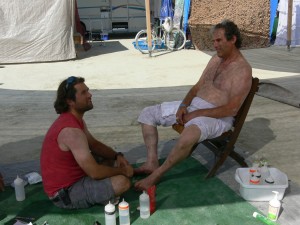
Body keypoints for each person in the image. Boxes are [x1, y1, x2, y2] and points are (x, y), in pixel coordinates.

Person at [134, 20, 252, 190]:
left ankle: (157, 174)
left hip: (218, 117)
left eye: (219, 40)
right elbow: (197, 86)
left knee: (188, 136)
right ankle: (152, 162)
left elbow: (232, 109)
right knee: (147, 114)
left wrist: (196, 114)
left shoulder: (242, 70)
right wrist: (184, 105)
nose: (215, 45)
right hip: (195, 107)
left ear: (233, 39)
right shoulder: (215, 59)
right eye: (213, 41)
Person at [40, 76, 133, 209]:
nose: (90, 95)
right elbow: (95, 173)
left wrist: (117, 155)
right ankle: (102, 196)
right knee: (122, 183)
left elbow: (94, 145)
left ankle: (102, 191)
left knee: (107, 157)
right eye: (83, 93)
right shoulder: (71, 131)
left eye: (87, 91)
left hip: (75, 179)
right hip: (65, 194)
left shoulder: (73, 120)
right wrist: (122, 171)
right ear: (70, 101)